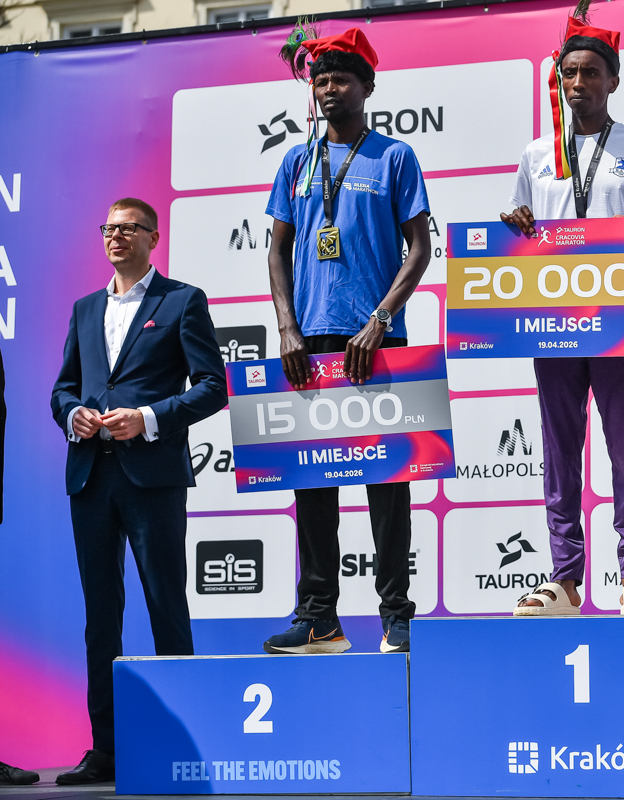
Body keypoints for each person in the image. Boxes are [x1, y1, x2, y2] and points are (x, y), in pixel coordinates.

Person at [501, 3, 624, 616]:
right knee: (559, 450)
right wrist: (517, 226)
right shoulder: (536, 154)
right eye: (568, 73)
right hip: (551, 320)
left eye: (590, 72)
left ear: (613, 80)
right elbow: (520, 231)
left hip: (620, 319)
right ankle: (565, 577)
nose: (577, 82)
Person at [265, 25, 431, 654]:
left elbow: (420, 249)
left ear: (368, 87)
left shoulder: (395, 156)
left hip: (379, 340)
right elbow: (277, 251)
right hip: (309, 341)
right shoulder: (295, 162)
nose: (329, 89)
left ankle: (396, 616)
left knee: (388, 484)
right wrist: (287, 327)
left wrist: (380, 319)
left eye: (341, 79)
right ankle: (319, 618)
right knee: (312, 484)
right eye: (320, 81)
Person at [50, 199, 227, 784]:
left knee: (165, 607)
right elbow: (63, 388)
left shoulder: (182, 301)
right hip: (90, 478)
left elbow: (212, 387)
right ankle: (106, 749)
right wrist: (72, 413)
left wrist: (148, 418)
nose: (116, 236)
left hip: (153, 479)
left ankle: (183, 747)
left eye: (129, 228)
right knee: (100, 618)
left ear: (154, 237)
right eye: (109, 228)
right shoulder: (84, 308)